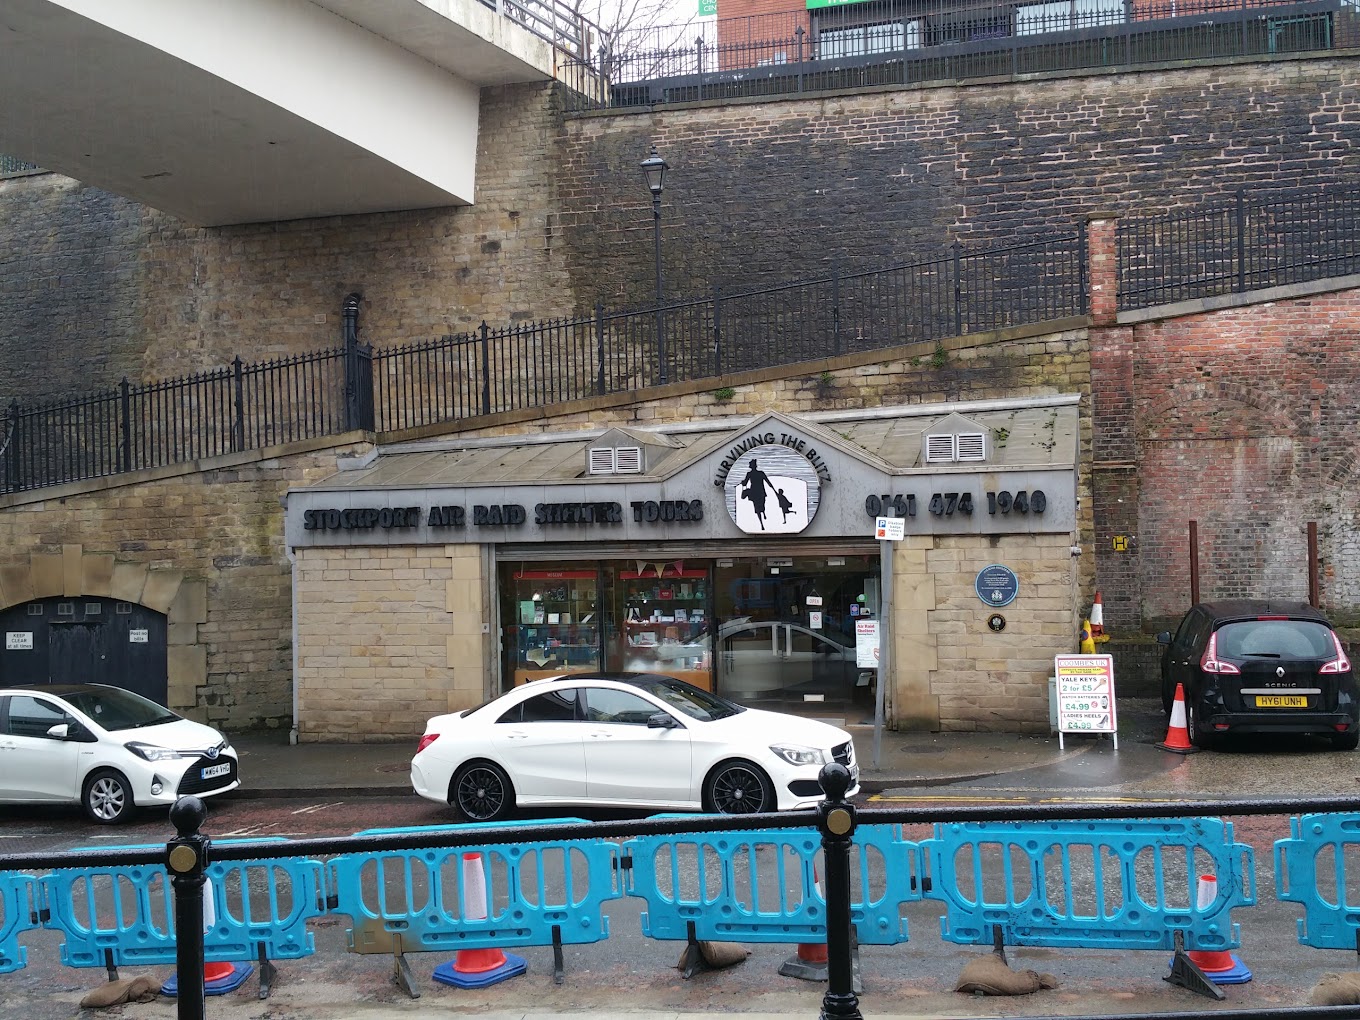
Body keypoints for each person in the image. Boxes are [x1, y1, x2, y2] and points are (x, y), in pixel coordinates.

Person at [736, 458, 779, 531]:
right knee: (761, 505)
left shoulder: (749, 474)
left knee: (757, 507)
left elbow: (745, 483)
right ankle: (762, 521)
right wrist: (774, 489)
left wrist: (742, 482)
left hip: (754, 492)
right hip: (760, 491)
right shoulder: (760, 473)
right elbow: (768, 482)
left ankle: (762, 518)